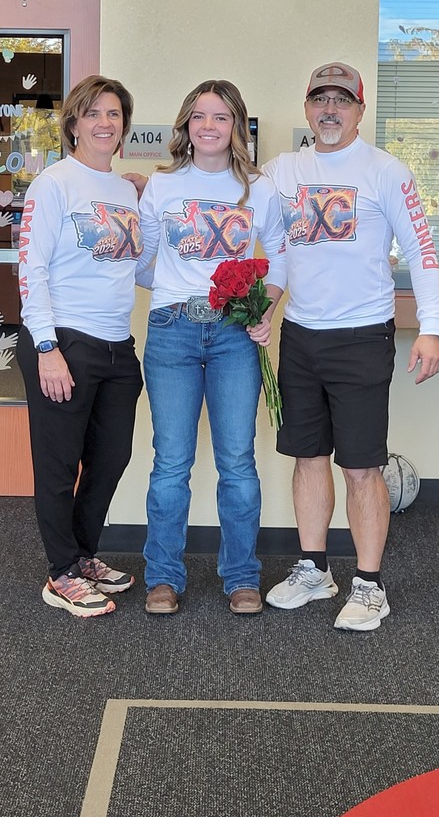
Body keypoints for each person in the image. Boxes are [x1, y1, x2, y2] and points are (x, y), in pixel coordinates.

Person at [262, 61, 439, 631]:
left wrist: (432, 327)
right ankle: (315, 571)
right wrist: (150, 184)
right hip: (301, 337)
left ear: (361, 110)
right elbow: (227, 193)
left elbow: (421, 250)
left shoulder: (386, 171)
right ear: (308, 107)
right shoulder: (283, 170)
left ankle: (369, 585)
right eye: (320, 99)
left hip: (362, 336)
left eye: (343, 100)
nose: (330, 109)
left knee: (362, 466)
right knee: (307, 457)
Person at [135, 79, 286, 615]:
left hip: (232, 336)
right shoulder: (163, 186)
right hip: (172, 331)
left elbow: (282, 262)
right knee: (171, 462)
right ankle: (163, 578)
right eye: (199, 116)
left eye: (220, 117)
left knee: (238, 462)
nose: (208, 126)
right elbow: (141, 262)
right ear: (185, 125)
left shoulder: (258, 188)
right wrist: (182, 291)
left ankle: (242, 576)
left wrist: (258, 312)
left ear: (237, 126)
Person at [16, 75, 143, 618]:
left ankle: (83, 554)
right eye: (93, 113)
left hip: (117, 345)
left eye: (113, 114)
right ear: (73, 123)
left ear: (123, 126)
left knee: (112, 457)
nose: (104, 123)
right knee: (58, 461)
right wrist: (46, 346)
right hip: (63, 339)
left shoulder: (125, 191)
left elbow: (141, 266)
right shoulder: (53, 184)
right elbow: (32, 268)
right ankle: (61, 571)